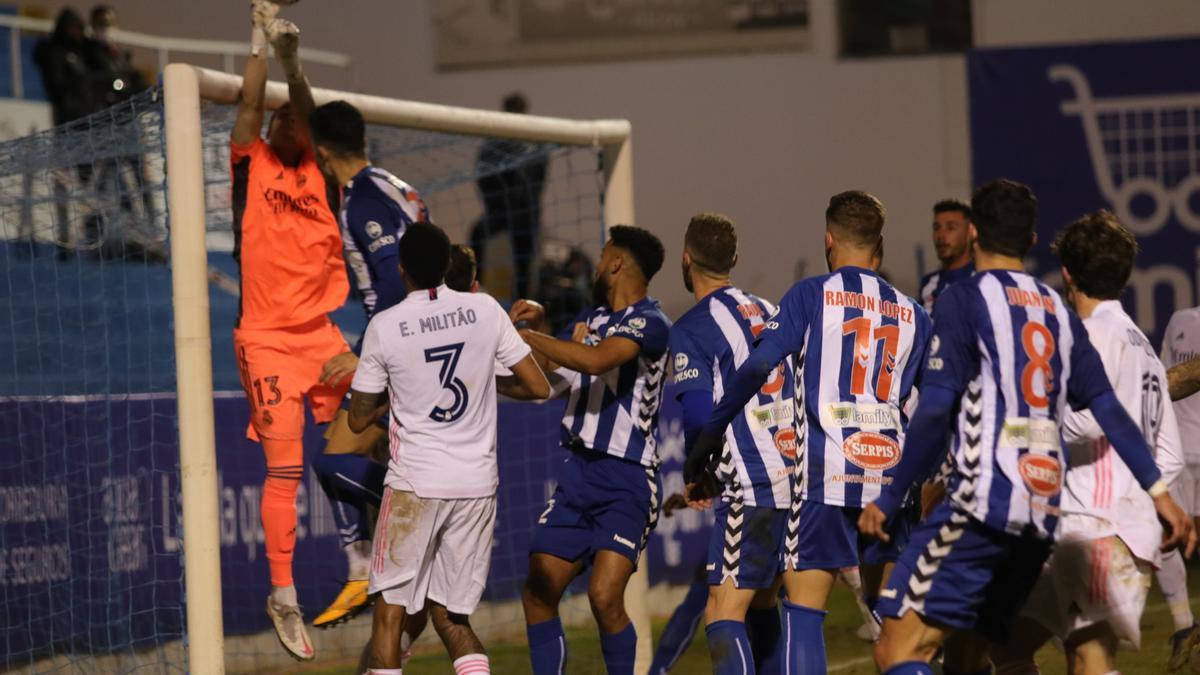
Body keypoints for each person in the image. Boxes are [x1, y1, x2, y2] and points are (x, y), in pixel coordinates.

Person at [857, 179, 1193, 675]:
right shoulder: (1057, 309)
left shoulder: (963, 300)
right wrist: (1160, 492)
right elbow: (1108, 409)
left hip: (980, 507)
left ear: (973, 234)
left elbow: (933, 411)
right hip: (1039, 519)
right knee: (975, 657)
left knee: (898, 650)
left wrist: (890, 495)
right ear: (1033, 240)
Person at [687, 192, 932, 673]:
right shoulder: (914, 313)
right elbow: (933, 406)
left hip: (826, 476)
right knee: (896, 628)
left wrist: (710, 434)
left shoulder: (809, 295)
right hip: (890, 481)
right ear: (878, 247)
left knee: (804, 615)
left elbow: (759, 363)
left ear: (828, 241)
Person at [990, 210, 1186, 675]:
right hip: (1100, 530)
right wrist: (1145, 502)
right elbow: (1171, 455)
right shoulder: (1140, 343)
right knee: (1006, 643)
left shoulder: (1090, 337)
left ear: (1067, 274)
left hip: (1099, 529)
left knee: (1090, 662)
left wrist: (1023, 426)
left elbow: (1092, 422)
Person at [350, 223, 551, 675]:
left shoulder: (385, 326)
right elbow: (538, 385)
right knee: (451, 616)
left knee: (390, 615)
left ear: (401, 270)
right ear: (446, 266)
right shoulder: (485, 309)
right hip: (477, 486)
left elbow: (358, 419)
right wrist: (478, 382)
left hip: (414, 486)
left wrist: (399, 392)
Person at [228, 1, 349, 659]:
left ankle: (367, 561)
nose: (282, 117)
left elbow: (308, 105)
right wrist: (258, 39)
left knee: (384, 422)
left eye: (292, 114)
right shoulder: (255, 166)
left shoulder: (323, 175)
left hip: (325, 336)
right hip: (270, 338)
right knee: (286, 468)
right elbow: (251, 106)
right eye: (276, 115)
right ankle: (284, 591)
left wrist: (293, 61)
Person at [514, 225, 670, 675]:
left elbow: (597, 360)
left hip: (628, 478)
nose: (597, 265)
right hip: (578, 474)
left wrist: (532, 338)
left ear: (617, 263)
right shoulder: (590, 321)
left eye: (604, 256)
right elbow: (547, 379)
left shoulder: (651, 322)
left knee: (604, 597)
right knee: (539, 591)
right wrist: (538, 329)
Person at [304, 99, 432, 629]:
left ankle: (422, 517)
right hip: (424, 339)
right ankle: (375, 567)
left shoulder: (361, 202)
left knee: (335, 458)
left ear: (322, 150)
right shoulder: (393, 183)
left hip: (402, 346)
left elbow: (390, 278)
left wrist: (364, 352)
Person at [669, 213, 794, 673]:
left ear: (686, 260)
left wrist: (696, 473)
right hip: (795, 477)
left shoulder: (691, 327)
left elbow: (700, 415)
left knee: (721, 611)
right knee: (763, 601)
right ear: (734, 260)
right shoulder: (771, 310)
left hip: (753, 482)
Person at [471, 92, 548, 300]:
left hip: (522, 212)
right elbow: (483, 176)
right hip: (505, 211)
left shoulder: (534, 143)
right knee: (478, 236)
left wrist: (525, 203)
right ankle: (479, 291)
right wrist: (496, 204)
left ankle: (523, 303)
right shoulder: (495, 143)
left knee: (523, 261)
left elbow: (538, 178)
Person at [1161, 303, 1200, 669]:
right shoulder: (1180, 320)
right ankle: (1184, 623)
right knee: (1168, 535)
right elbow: (1162, 380)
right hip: (1180, 450)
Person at [918, 199, 974, 315]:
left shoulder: (982, 282)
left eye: (951, 227)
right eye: (936, 228)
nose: (941, 236)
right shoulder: (929, 283)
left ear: (970, 231)